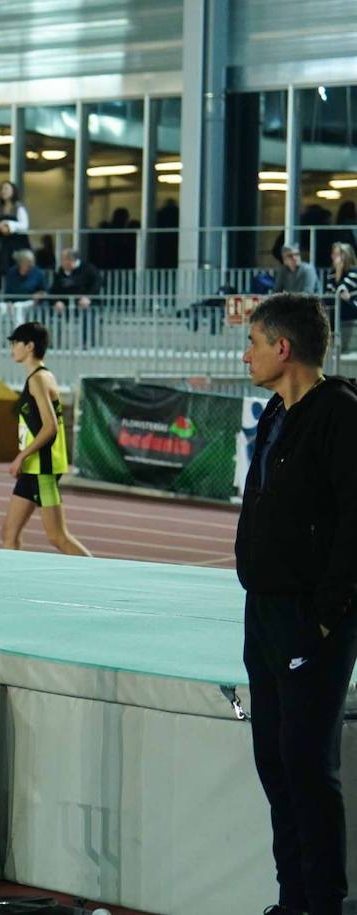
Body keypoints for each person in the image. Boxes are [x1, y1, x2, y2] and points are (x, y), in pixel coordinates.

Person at [236, 293, 357, 915]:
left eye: (252, 342)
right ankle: (292, 901)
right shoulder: (275, 414)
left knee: (308, 769)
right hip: (265, 614)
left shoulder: (340, 414)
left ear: (283, 348)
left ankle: (323, 905)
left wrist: (326, 615)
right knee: (275, 764)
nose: (246, 354)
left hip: (311, 620)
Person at [0, 322, 90, 557]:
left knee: (57, 536)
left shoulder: (38, 380)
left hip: (42, 467)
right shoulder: (41, 376)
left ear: (29, 346)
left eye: (15, 343)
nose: (12, 348)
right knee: (9, 533)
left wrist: (21, 456)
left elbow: (50, 427)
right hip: (33, 467)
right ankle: (11, 585)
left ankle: (100, 574)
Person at [45, 247, 101, 347]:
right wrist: (56, 301)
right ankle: (54, 342)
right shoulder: (60, 271)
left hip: (85, 305)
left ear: (71, 260)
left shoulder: (89, 269)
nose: (61, 262)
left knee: (88, 316)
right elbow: (53, 290)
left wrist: (88, 298)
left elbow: (97, 285)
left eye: (63, 260)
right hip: (65, 305)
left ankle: (86, 342)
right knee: (51, 314)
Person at [0, 180, 31, 276]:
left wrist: (8, 224)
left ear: (13, 191)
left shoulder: (18, 207)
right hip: (1, 245)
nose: (3, 191)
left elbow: (24, 225)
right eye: (2, 189)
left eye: (6, 189)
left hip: (16, 244)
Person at [324, 242, 357, 354]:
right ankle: (328, 337)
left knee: (336, 302)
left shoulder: (354, 272)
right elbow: (329, 293)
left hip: (352, 307)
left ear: (345, 256)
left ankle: (333, 339)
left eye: (336, 254)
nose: (333, 257)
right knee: (325, 302)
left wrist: (338, 273)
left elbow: (339, 291)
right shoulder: (331, 273)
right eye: (333, 254)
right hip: (338, 304)